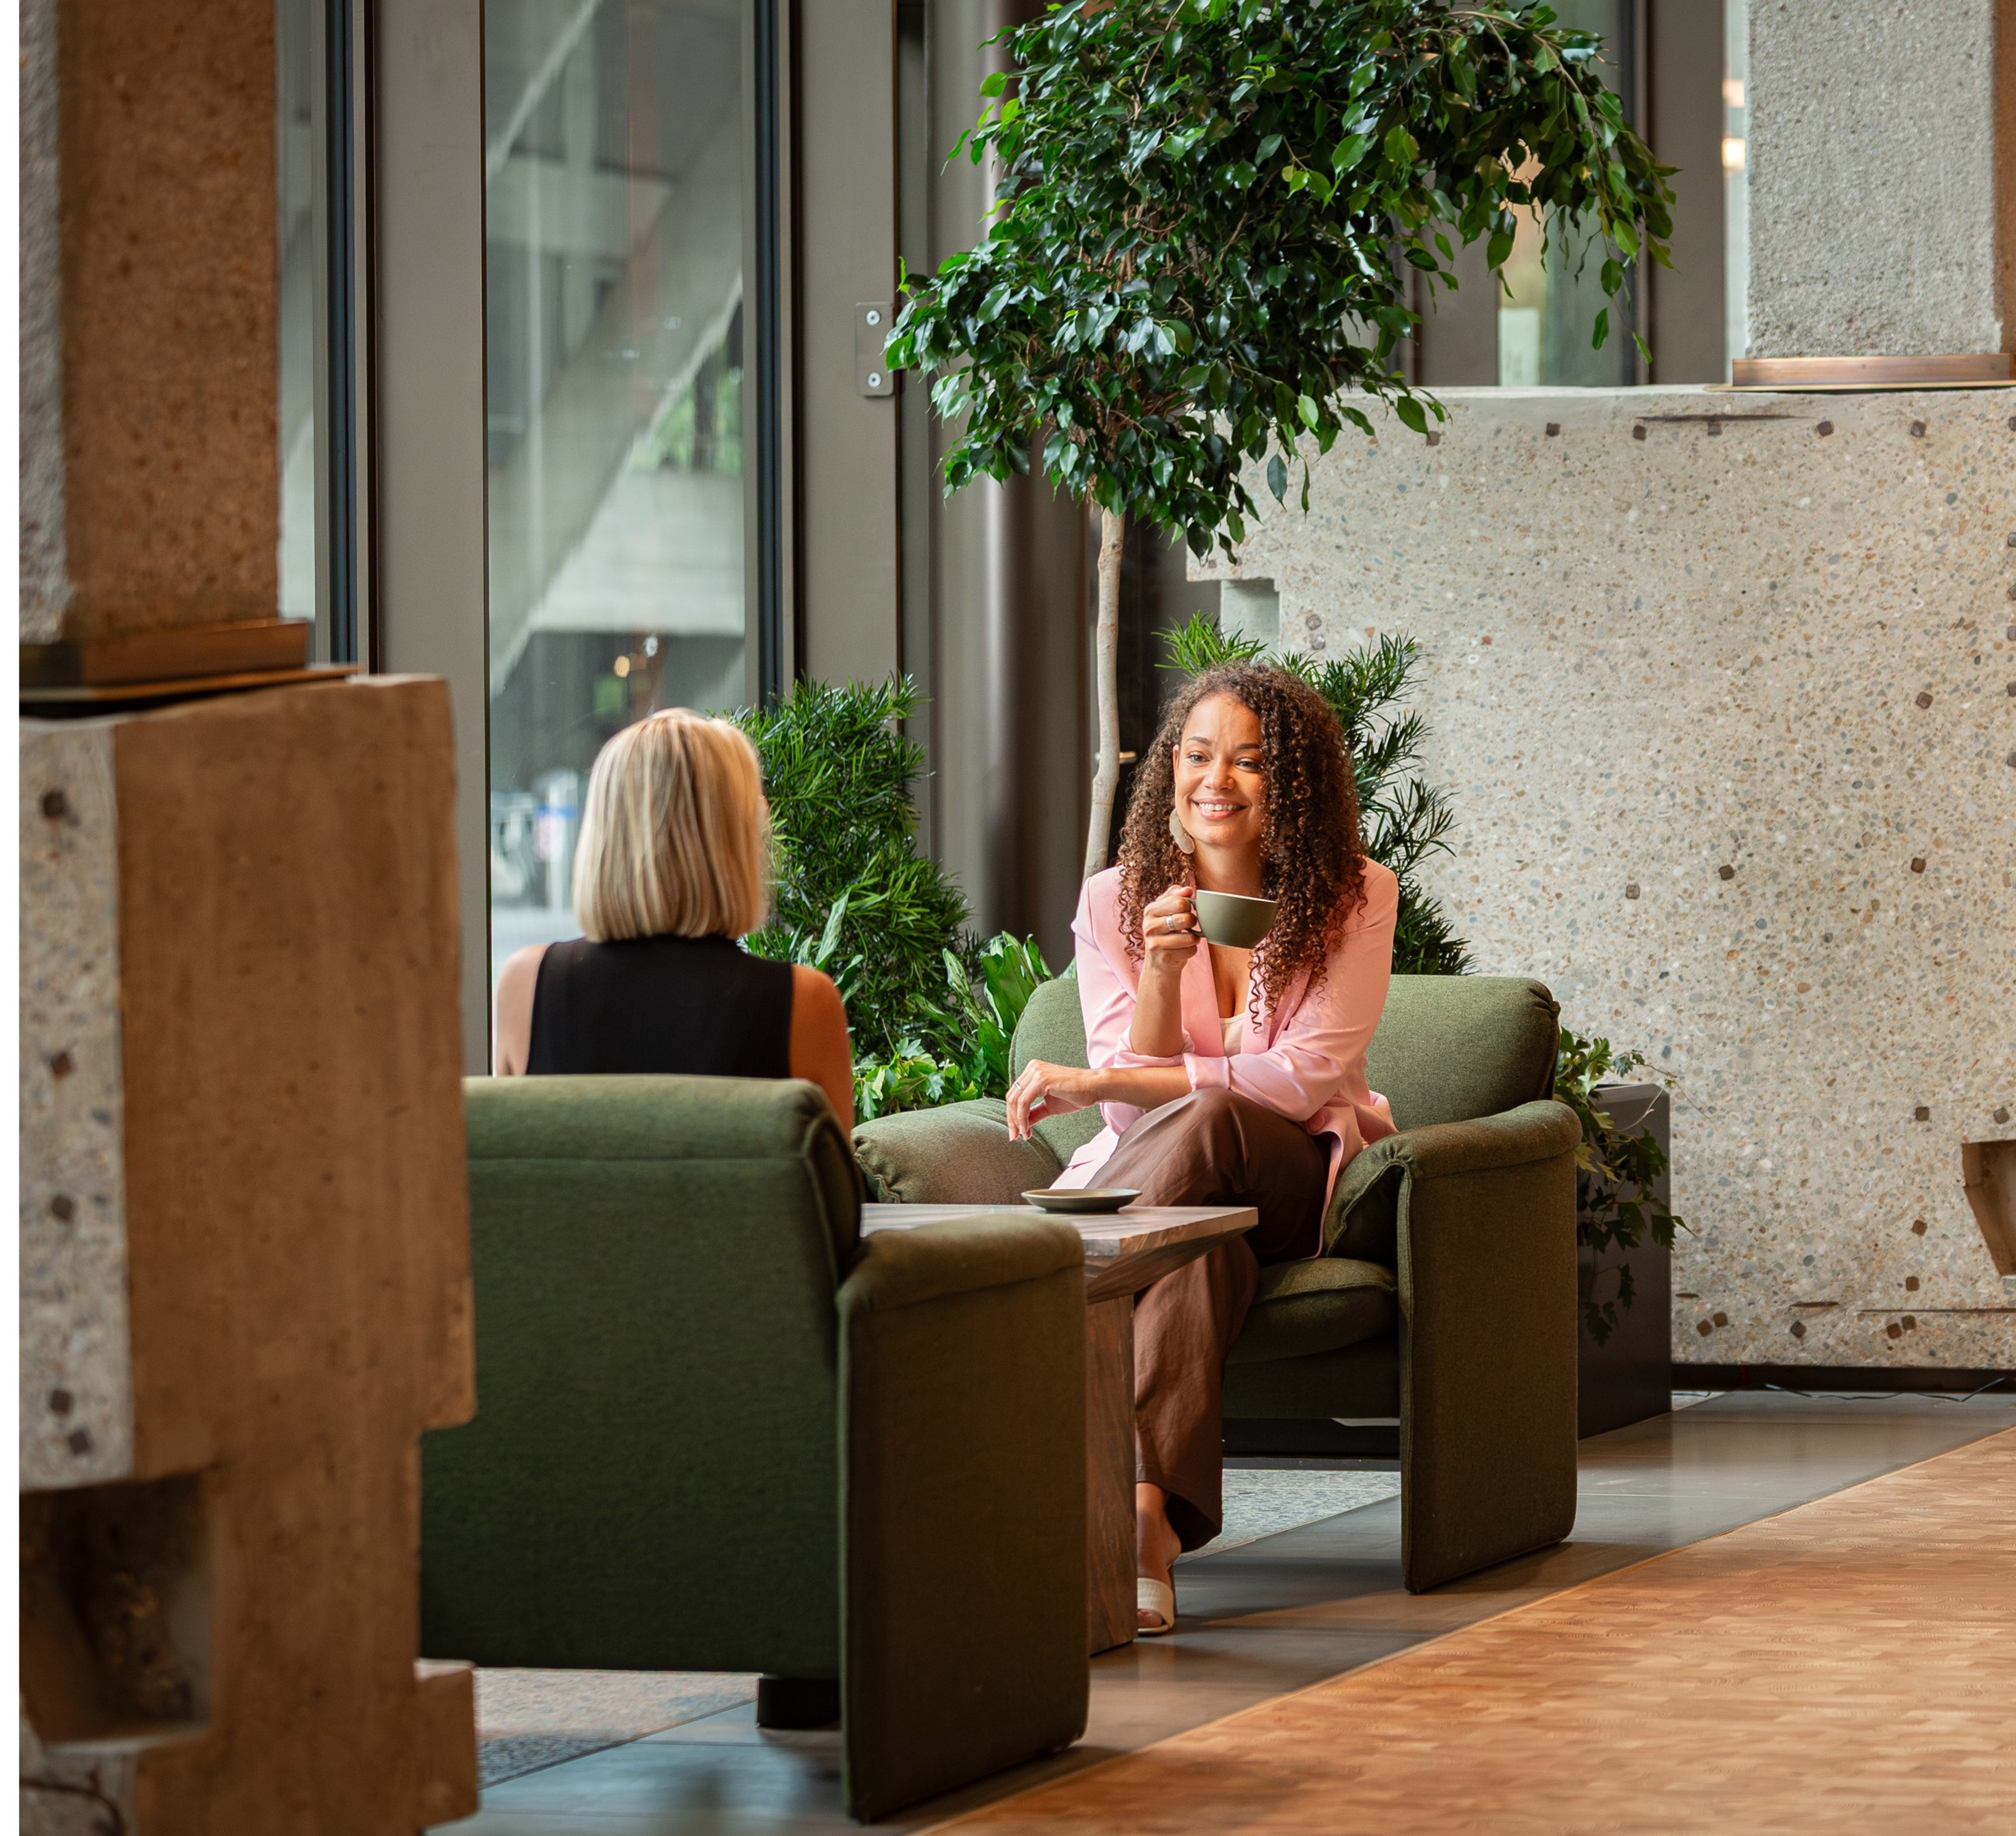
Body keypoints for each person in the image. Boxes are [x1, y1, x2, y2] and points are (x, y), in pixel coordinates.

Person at [1004, 663, 1398, 1635]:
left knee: (1219, 1119)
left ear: (1293, 781)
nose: (1216, 778)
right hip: (1184, 1198)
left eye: (1251, 761)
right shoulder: (1115, 902)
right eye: (1196, 753)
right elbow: (1142, 1115)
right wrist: (1163, 967)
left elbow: (1303, 1080)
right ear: (1169, 769)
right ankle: (1146, 1527)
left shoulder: (1355, 895)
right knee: (1198, 1251)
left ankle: (1046, 1277)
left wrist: (1100, 1085)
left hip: (1296, 1176)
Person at [494, 708, 854, 1129]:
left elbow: (516, 1180)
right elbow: (827, 1192)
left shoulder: (526, 987)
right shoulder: (805, 1003)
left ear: (606, 834)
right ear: (733, 843)